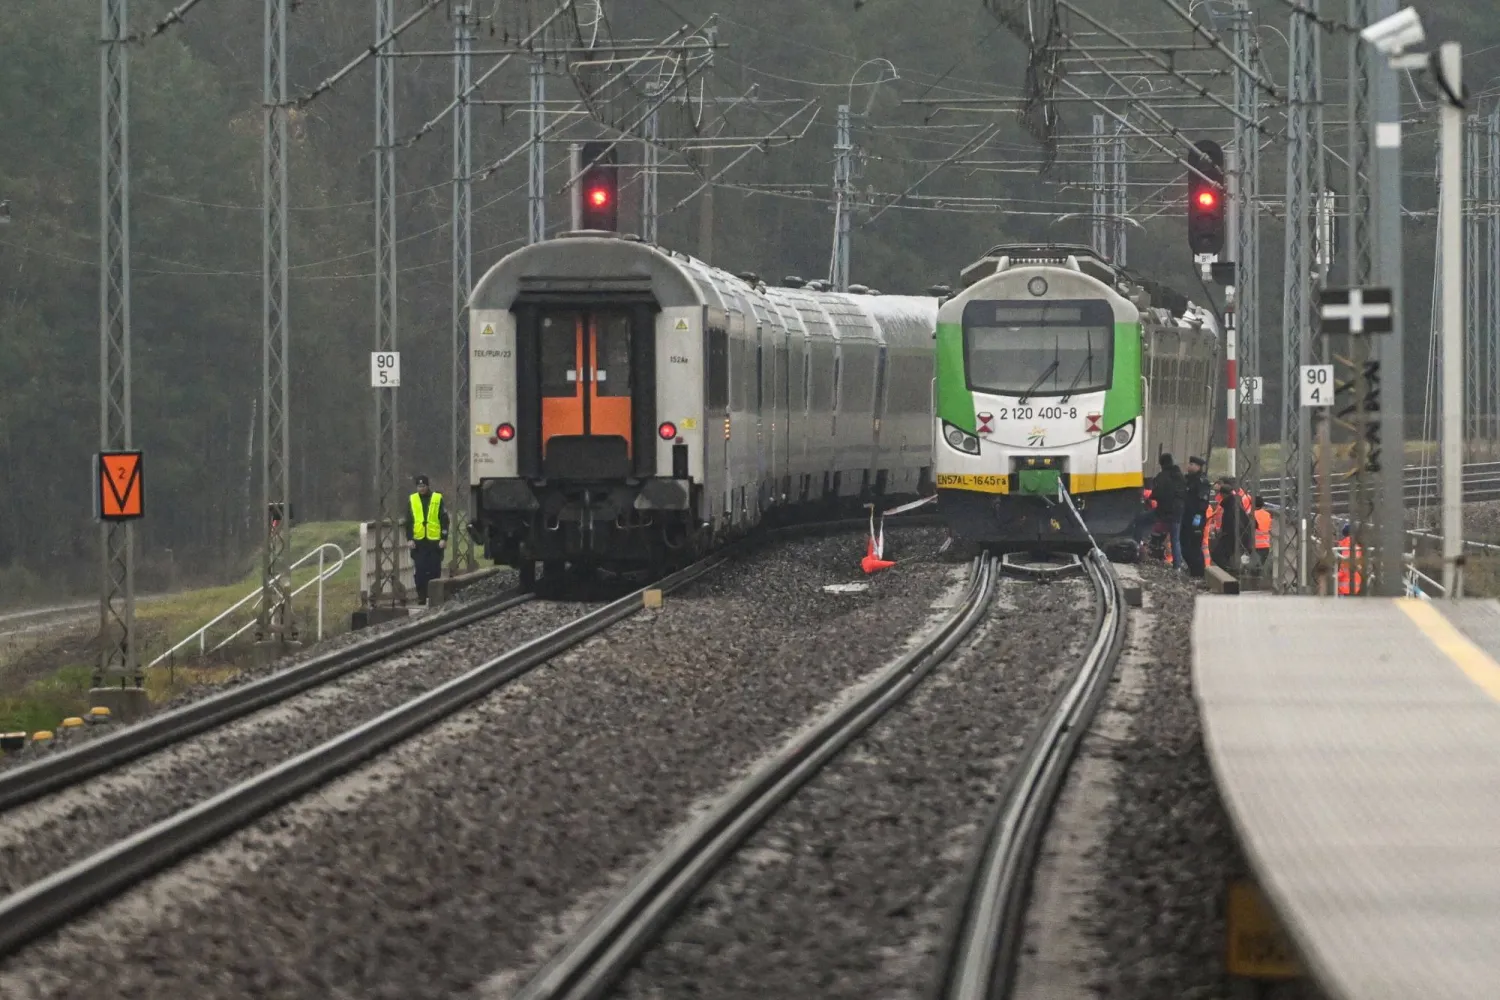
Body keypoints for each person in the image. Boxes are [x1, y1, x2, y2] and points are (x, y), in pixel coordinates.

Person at [404, 474, 450, 604]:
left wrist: (444, 538)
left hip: (434, 541)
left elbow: (444, 520)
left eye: (423, 486)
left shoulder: (437, 498)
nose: (421, 488)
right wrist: (409, 539)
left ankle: (434, 596)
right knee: (420, 571)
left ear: (428, 486)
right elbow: (409, 521)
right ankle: (422, 597)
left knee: (435, 570)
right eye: (419, 486)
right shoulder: (412, 500)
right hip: (419, 542)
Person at [1149, 453, 1186, 571]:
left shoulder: (1161, 476)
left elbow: (1155, 494)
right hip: (1177, 514)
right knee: (1176, 539)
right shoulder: (1180, 476)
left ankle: (1140, 549)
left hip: (1163, 513)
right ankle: (1177, 566)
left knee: (1142, 522)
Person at [1180, 455, 1212, 578]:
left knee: (1194, 546)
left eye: (1192, 464)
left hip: (1196, 518)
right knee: (1184, 544)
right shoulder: (1187, 479)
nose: (1189, 466)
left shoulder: (1202, 481)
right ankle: (1192, 571)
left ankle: (1198, 573)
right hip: (1185, 517)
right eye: (1189, 464)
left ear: (1198, 467)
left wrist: (1198, 515)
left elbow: (1203, 501)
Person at [1210, 482, 1247, 572]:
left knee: (1217, 555)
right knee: (1221, 556)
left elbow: (1232, 521)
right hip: (1230, 534)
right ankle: (1230, 571)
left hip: (1230, 535)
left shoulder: (1231, 505)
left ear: (1223, 494)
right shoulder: (1232, 503)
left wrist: (1225, 532)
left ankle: (1231, 572)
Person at [1335, 523, 1364, 595]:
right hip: (1357, 585)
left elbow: (1341, 566)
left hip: (1343, 587)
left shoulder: (1341, 546)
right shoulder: (1359, 546)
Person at [1252, 496, 1272, 568]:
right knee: (1259, 567)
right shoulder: (1267, 514)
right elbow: (1270, 528)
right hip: (1265, 545)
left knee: (1252, 568)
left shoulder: (1251, 514)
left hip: (1253, 546)